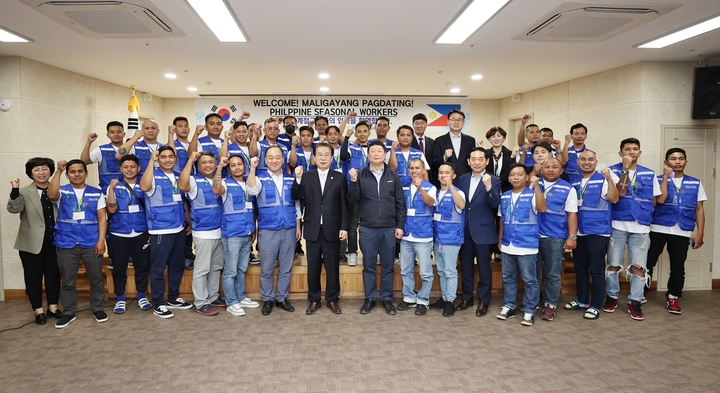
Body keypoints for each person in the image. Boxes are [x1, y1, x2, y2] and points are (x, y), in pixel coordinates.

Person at [605, 138, 661, 321]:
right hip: (617, 224)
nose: (631, 152)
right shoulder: (612, 171)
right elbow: (619, 193)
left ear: (640, 152)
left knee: (639, 266)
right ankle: (612, 296)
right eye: (627, 149)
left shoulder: (649, 173)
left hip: (641, 226)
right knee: (613, 264)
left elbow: (654, 200)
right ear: (620, 153)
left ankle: (635, 301)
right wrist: (626, 169)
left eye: (635, 149)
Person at [47, 159, 107, 329]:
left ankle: (98, 308)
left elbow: (102, 218)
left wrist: (101, 240)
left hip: (91, 242)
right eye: (72, 172)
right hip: (66, 242)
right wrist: (58, 171)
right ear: (68, 175)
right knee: (68, 280)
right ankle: (69, 312)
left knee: (96, 278)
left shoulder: (96, 193)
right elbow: (51, 195)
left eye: (80, 171)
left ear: (86, 173)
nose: (77, 174)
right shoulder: (61, 191)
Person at [348, 140, 406, 315]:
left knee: (388, 265)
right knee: (369, 265)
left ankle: (387, 299)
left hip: (389, 228)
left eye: (379, 151)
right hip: (367, 228)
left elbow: (400, 203)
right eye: (372, 151)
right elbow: (352, 200)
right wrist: (353, 182)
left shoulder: (393, 176)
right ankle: (370, 298)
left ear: (384, 154)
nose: (376, 154)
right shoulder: (360, 174)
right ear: (368, 155)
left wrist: (400, 225)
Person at [646, 148, 706, 315]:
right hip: (657, 227)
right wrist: (665, 177)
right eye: (673, 159)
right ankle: (641, 291)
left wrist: (700, 232)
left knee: (678, 267)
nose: (677, 162)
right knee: (648, 262)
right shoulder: (657, 180)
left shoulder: (695, 183)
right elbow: (657, 201)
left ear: (686, 162)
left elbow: (699, 209)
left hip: (682, 230)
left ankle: (673, 297)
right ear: (666, 162)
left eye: (680, 159)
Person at [292, 143, 348, 315]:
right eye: (319, 155)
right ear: (313, 158)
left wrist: (344, 227)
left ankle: (332, 299)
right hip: (312, 228)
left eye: (326, 155)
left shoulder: (339, 177)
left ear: (332, 158)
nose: (323, 158)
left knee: (332, 266)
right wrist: (298, 179)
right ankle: (314, 299)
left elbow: (344, 205)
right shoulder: (306, 176)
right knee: (313, 266)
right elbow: (296, 196)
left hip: (332, 227)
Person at [7, 158, 63, 325]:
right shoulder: (24, 191)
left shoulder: (58, 190)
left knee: (53, 276)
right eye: (37, 170)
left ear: (50, 171)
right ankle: (38, 310)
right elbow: (13, 208)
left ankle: (53, 307)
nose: (41, 173)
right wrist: (14, 189)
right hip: (31, 244)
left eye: (45, 169)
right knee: (33, 277)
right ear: (31, 173)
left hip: (54, 241)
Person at [139, 146, 193, 319]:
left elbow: (184, 203)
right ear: (158, 158)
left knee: (177, 265)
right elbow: (144, 187)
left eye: (171, 156)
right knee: (158, 268)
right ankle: (158, 303)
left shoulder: (178, 177)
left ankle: (173, 298)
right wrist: (151, 161)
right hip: (161, 229)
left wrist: (188, 221)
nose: (168, 160)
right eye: (163, 157)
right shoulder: (152, 175)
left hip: (179, 228)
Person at [247, 147, 301, 316]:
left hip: (289, 228)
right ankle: (268, 299)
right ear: (266, 160)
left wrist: (298, 226)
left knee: (286, 267)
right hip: (268, 229)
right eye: (270, 157)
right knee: (267, 268)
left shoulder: (292, 179)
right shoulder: (259, 178)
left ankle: (282, 298)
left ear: (283, 160)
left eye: (278, 157)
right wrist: (253, 168)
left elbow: (297, 205)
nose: (274, 160)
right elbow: (251, 190)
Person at [565, 150, 619, 320]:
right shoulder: (574, 182)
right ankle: (582, 301)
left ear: (596, 162)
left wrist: (609, 178)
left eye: (590, 159)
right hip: (578, 232)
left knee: (596, 270)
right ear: (578, 162)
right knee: (580, 268)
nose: (586, 162)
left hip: (598, 232)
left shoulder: (604, 179)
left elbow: (614, 198)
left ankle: (596, 305)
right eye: (583, 159)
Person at [496, 163, 546, 326]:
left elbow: (542, 208)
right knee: (508, 277)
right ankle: (509, 305)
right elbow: (502, 220)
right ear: (509, 178)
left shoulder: (533, 194)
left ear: (526, 177)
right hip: (508, 243)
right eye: (512, 175)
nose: (515, 177)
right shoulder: (505, 196)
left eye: (519, 174)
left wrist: (537, 187)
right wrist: (500, 240)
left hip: (527, 244)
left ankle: (530, 309)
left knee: (529, 279)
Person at [213, 155, 260, 317]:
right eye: (233, 165)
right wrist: (219, 167)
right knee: (230, 271)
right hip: (232, 233)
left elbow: (251, 208)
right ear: (229, 168)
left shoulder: (248, 183)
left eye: (239, 164)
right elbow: (216, 189)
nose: (237, 167)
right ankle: (232, 302)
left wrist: (253, 229)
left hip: (246, 232)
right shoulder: (225, 183)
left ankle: (241, 297)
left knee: (241, 269)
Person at [179, 151, 225, 316]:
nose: (208, 165)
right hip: (203, 232)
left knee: (216, 267)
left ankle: (213, 296)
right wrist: (191, 160)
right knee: (202, 269)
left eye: (211, 162)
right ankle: (200, 302)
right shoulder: (193, 180)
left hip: (220, 231)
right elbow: (182, 186)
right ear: (198, 166)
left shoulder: (219, 180)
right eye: (204, 162)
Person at [457, 147, 501, 317]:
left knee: (484, 268)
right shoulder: (462, 179)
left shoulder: (494, 180)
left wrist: (489, 188)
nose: (476, 162)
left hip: (483, 231)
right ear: (468, 161)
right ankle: (467, 298)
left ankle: (484, 301)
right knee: (466, 267)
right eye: (473, 159)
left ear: (487, 161)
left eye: (480, 159)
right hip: (465, 231)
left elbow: (495, 205)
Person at [105, 155, 152, 314]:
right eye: (126, 167)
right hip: (119, 232)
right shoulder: (114, 186)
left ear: (138, 168)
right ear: (121, 169)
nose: (129, 169)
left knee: (142, 266)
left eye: (133, 166)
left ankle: (141, 296)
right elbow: (111, 209)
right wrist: (111, 189)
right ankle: (120, 298)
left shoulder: (144, 185)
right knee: (119, 267)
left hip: (140, 231)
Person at [535, 157, 578, 321]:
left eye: (555, 167)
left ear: (561, 170)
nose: (550, 169)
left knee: (553, 273)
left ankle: (550, 304)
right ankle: (533, 300)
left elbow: (572, 214)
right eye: (547, 167)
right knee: (533, 272)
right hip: (532, 236)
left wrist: (572, 236)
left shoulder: (568, 189)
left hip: (555, 236)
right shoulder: (533, 184)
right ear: (541, 169)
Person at [396, 159, 436, 316]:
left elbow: (430, 202)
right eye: (411, 168)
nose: (414, 171)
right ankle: (409, 297)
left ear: (423, 169)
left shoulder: (430, 187)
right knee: (405, 269)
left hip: (423, 235)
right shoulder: (404, 186)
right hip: (406, 234)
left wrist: (420, 189)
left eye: (417, 168)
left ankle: (423, 300)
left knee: (425, 271)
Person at [429, 162, 466, 317]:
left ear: (453, 175)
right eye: (440, 172)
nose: (443, 175)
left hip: (451, 238)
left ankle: (451, 301)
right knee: (441, 270)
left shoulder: (458, 192)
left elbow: (461, 205)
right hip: (437, 237)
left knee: (450, 271)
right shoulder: (436, 193)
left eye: (447, 172)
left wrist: (450, 186)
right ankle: (444, 298)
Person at [80, 121, 127, 192]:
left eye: (119, 132)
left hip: (129, 193)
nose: (116, 134)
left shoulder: (131, 148)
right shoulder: (101, 150)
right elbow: (84, 161)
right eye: (112, 132)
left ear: (124, 134)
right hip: (108, 194)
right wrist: (89, 142)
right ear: (107, 135)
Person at [431, 109, 475, 182]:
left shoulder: (470, 140)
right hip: (446, 181)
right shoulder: (439, 140)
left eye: (459, 119)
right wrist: (444, 157)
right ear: (448, 122)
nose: (456, 122)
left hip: (466, 180)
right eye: (453, 119)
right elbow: (434, 163)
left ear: (463, 122)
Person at [484, 127, 517, 193]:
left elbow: (511, 172)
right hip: (488, 187)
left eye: (499, 136)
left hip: (506, 188)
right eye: (493, 136)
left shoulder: (510, 154)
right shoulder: (485, 154)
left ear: (503, 138)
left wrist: (512, 157)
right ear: (489, 139)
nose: (496, 139)